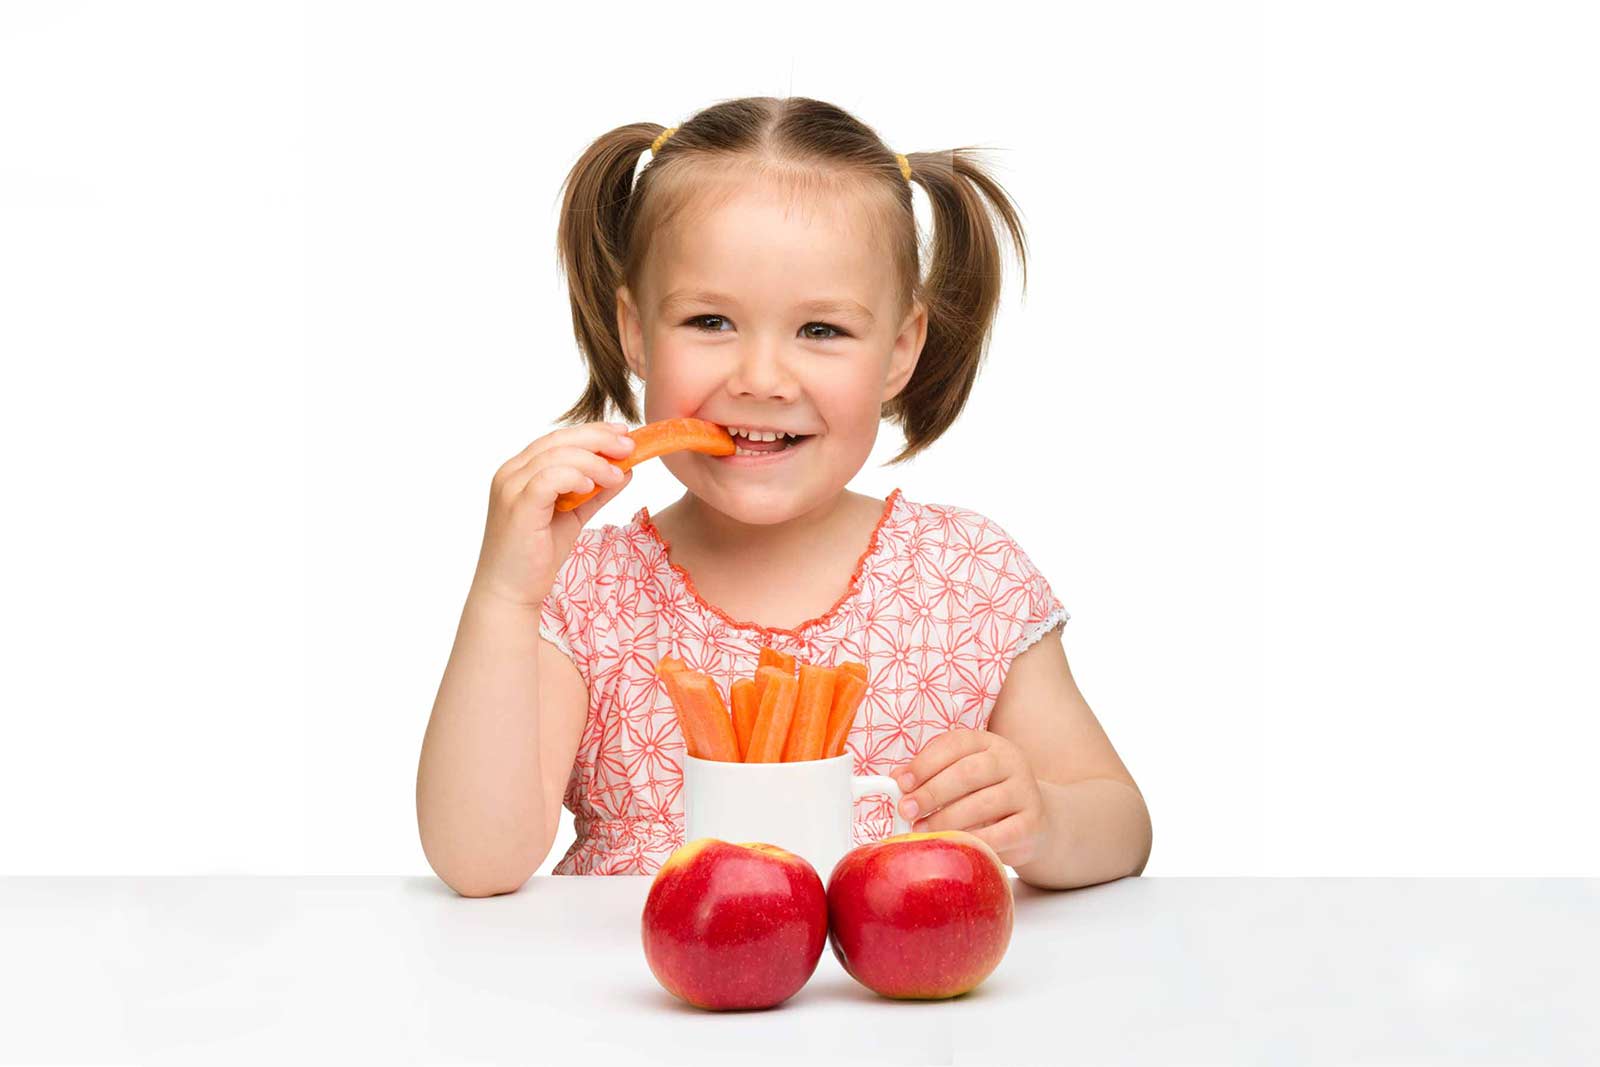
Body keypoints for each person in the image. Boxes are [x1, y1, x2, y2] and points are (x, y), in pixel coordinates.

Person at [417, 96, 1152, 894]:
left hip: (902, 1012)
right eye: (709, 320)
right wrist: (504, 593)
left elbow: (1120, 824)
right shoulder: (586, 588)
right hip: (643, 1008)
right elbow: (477, 862)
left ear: (900, 350)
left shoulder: (967, 576)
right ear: (635, 331)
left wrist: (1042, 819)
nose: (762, 379)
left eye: (821, 330)